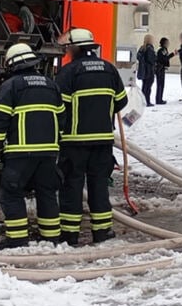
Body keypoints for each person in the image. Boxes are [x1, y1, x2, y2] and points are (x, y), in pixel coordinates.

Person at [55, 28, 128, 245]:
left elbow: (59, 107)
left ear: (75, 48)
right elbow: (121, 102)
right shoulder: (109, 69)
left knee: (72, 186)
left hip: (74, 142)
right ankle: (103, 231)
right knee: (98, 186)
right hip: (103, 141)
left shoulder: (68, 72)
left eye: (69, 47)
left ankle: (70, 234)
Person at [0, 43, 65, 249]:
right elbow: (62, 118)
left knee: (11, 193)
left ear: (12, 65)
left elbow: (0, 119)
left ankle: (17, 238)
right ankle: (51, 238)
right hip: (48, 153)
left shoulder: (11, 86)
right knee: (47, 192)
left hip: (19, 153)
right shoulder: (51, 85)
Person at [135, 34, 156, 107]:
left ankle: (143, 100)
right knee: (148, 87)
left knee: (144, 86)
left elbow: (138, 57)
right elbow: (151, 60)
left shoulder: (142, 48)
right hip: (149, 71)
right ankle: (147, 101)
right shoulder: (150, 48)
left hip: (143, 71)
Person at [155, 37, 175, 105]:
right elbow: (164, 58)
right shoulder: (162, 50)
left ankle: (160, 98)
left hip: (161, 68)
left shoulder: (164, 49)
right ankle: (158, 99)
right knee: (160, 84)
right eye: (167, 43)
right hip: (160, 69)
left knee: (161, 84)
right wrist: (172, 54)